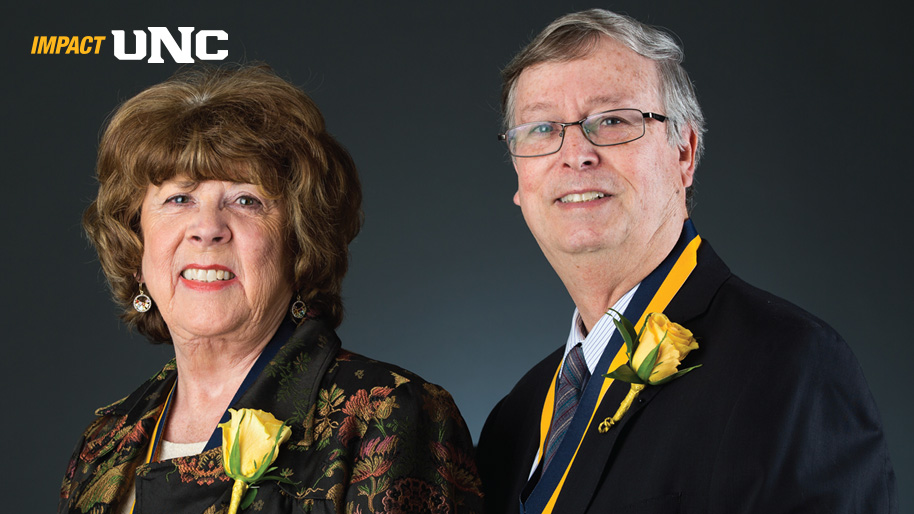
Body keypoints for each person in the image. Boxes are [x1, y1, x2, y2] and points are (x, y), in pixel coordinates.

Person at [476, 9, 896, 514]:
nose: (575, 154)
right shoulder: (512, 420)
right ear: (520, 184)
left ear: (685, 153)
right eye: (543, 128)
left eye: (612, 120)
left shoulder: (789, 367)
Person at [59, 65, 483, 514]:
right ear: (136, 241)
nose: (207, 229)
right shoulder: (105, 440)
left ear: (300, 241)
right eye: (179, 199)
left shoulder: (389, 415)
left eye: (247, 200)